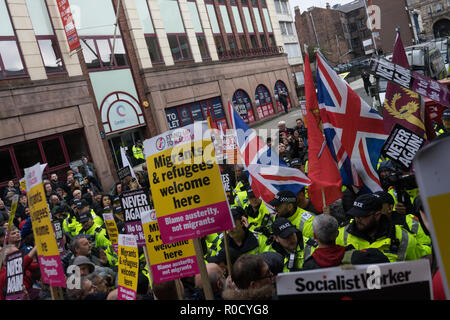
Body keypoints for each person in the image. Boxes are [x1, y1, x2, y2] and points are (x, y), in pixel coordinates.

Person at [335, 193, 420, 262]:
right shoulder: (341, 235)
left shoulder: (403, 238)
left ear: (377, 215)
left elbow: (418, 268)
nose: (357, 219)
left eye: (362, 216)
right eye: (355, 215)